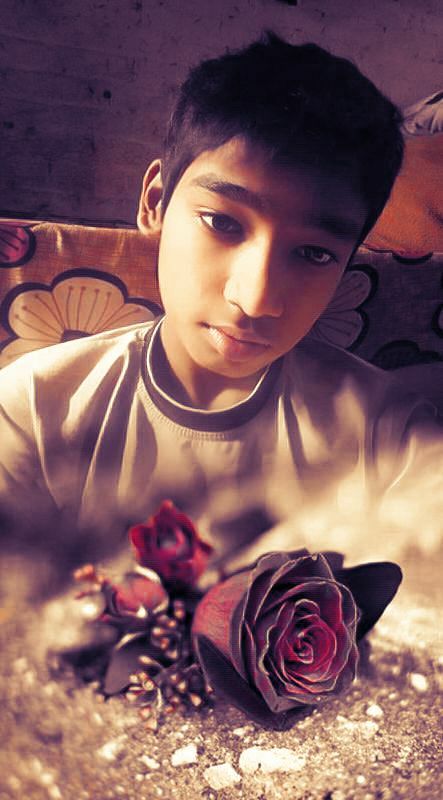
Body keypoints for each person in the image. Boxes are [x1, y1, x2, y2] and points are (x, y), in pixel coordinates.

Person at [0, 32, 441, 571]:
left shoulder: (390, 435)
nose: (256, 299)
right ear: (155, 202)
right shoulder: (32, 412)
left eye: (314, 253)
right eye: (222, 223)